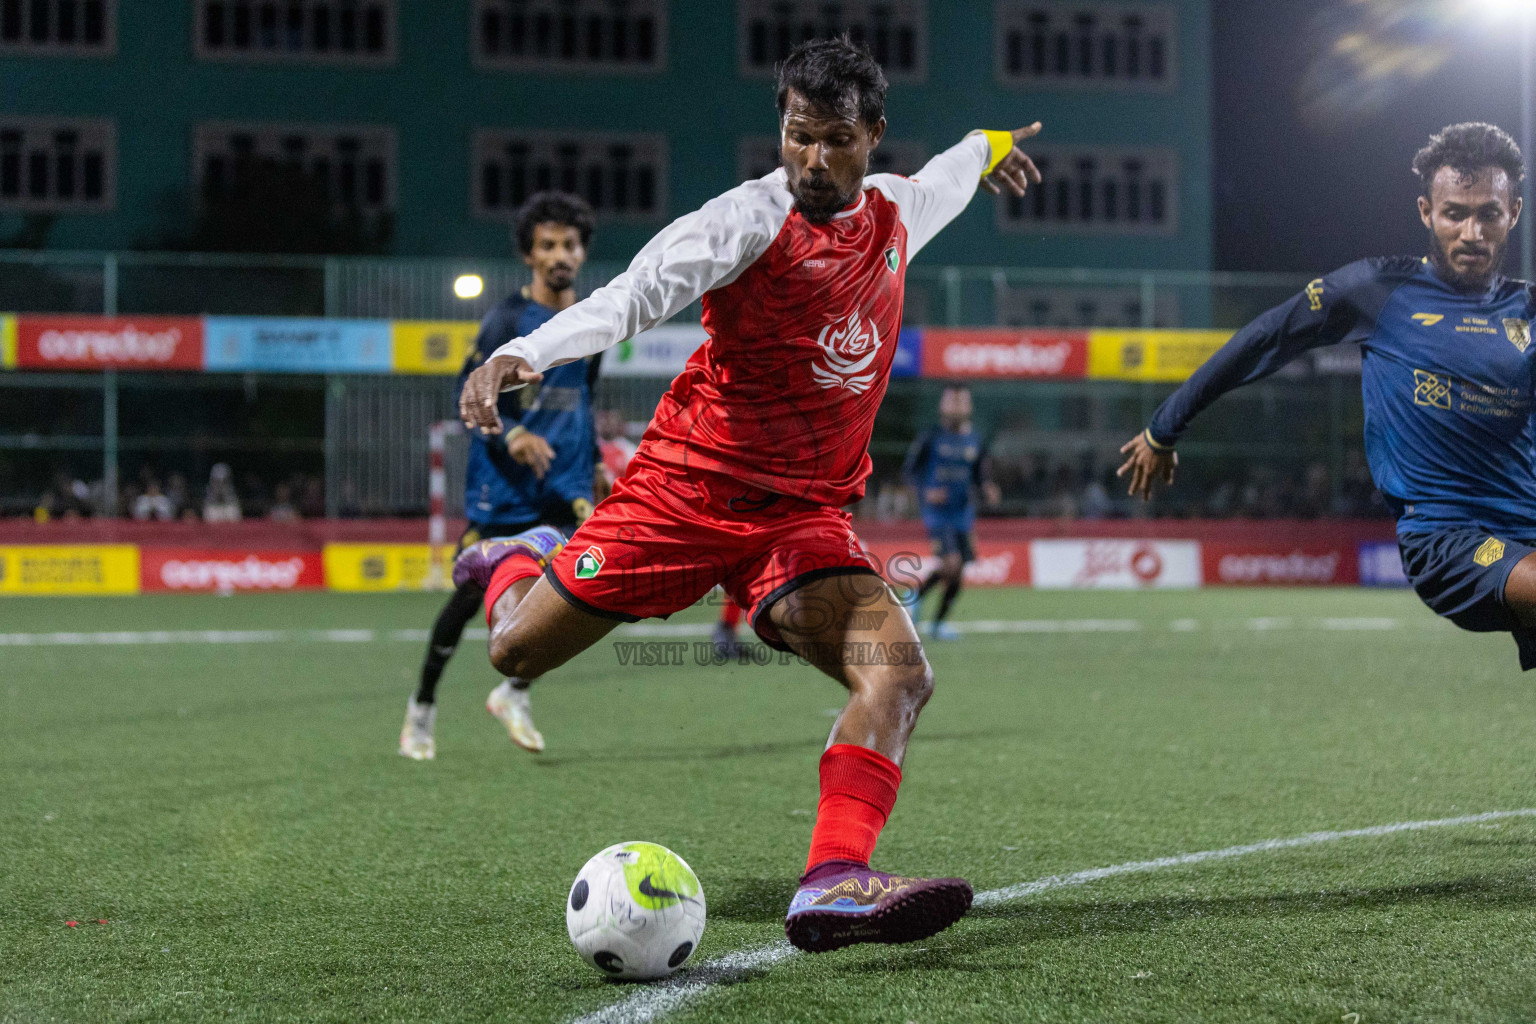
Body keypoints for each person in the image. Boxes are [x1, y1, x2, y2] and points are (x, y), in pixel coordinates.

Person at [455, 37, 1041, 952]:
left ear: (872, 136)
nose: (811, 158)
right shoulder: (741, 222)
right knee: (510, 653)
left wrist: (996, 143)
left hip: (802, 518)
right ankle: (512, 557)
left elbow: (960, 162)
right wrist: (521, 354)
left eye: (835, 139)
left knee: (902, 674)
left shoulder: (898, 211)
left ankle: (833, 881)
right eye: (797, 136)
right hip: (684, 496)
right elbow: (632, 297)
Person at [1119, 122, 1536, 668]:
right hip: (1447, 537)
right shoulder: (1377, 291)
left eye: (1489, 214)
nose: (1472, 232)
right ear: (1425, 213)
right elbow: (1263, 338)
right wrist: (1164, 426)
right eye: (1455, 212)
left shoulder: (1526, 311)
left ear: (1515, 214)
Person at [399, 192, 605, 761]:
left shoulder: (593, 318)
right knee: (470, 599)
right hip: (503, 488)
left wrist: (595, 465)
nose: (560, 254)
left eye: (569, 244)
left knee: (577, 594)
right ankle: (421, 709)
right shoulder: (507, 320)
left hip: (564, 486)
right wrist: (511, 432)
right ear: (528, 256)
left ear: (583, 252)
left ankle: (514, 692)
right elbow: (469, 394)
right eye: (547, 246)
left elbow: (586, 395)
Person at [901, 385, 1000, 639]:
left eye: (962, 402)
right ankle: (913, 598)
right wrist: (926, 493)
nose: (957, 406)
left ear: (969, 407)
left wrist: (988, 488)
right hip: (937, 513)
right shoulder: (930, 437)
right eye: (952, 401)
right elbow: (909, 472)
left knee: (959, 569)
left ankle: (937, 625)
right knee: (951, 562)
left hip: (963, 513)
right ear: (943, 406)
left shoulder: (975, 440)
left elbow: (979, 475)